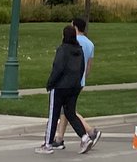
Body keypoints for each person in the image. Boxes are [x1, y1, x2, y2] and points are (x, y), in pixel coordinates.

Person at [37, 25, 98, 155]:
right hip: (74, 86)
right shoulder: (79, 50)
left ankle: (48, 144)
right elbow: (82, 68)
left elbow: (57, 68)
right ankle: (85, 137)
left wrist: (50, 83)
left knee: (53, 115)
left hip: (60, 87)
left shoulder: (62, 50)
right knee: (70, 113)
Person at [52, 18, 101, 151]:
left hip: (68, 81)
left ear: (75, 27)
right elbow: (89, 65)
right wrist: (84, 78)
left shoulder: (73, 42)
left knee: (68, 110)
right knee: (66, 110)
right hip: (80, 80)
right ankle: (59, 139)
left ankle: (90, 131)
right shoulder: (90, 44)